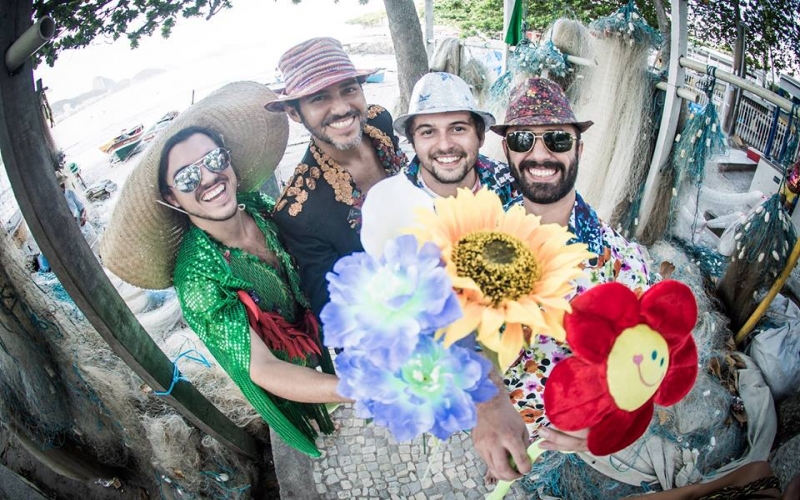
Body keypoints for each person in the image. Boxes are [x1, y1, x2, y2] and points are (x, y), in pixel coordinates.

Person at [101, 82, 350, 457]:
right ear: (171, 198)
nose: (209, 179)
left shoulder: (259, 205)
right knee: (321, 427)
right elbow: (262, 368)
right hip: (287, 374)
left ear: (229, 161)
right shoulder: (198, 277)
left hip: (319, 333)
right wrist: (352, 388)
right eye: (187, 178)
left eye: (215, 160)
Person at [471, 77, 652, 480]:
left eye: (557, 139)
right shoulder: (479, 228)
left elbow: (651, 361)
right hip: (499, 435)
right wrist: (488, 406)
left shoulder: (621, 264)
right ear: (506, 150)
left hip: (571, 452)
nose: (539, 154)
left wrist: (611, 424)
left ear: (579, 149)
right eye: (522, 141)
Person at [266, 37, 408, 319]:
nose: (342, 108)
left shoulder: (379, 121)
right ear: (294, 112)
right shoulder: (297, 211)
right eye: (319, 98)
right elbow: (332, 309)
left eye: (349, 89)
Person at [391, 72, 521, 207]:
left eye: (458, 129)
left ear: (480, 135)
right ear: (413, 143)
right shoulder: (391, 201)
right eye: (428, 132)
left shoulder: (512, 183)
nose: (445, 145)